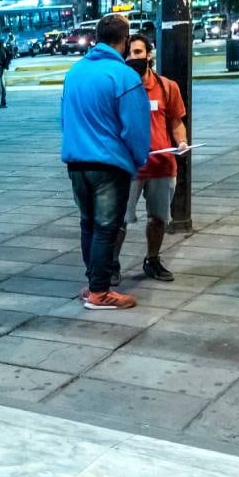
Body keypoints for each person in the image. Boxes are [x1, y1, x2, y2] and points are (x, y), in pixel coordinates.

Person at [61, 15, 151, 309]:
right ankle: (100, 292)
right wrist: (138, 160)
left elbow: (63, 119)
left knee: (88, 225)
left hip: (77, 163)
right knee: (105, 228)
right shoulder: (123, 76)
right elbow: (135, 128)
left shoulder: (74, 72)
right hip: (109, 165)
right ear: (124, 41)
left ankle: (92, 284)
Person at [115, 35, 186, 284]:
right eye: (130, 53)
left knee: (158, 218)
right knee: (119, 220)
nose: (134, 57)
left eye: (138, 52)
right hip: (129, 168)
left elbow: (176, 122)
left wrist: (182, 143)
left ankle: (152, 260)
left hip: (162, 165)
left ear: (149, 55)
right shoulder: (120, 87)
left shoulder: (167, 87)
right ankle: (112, 265)